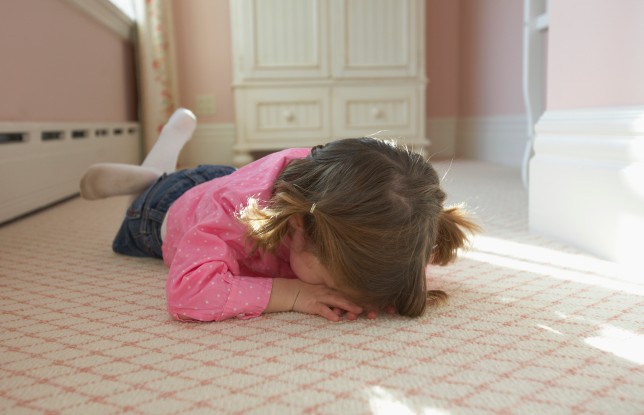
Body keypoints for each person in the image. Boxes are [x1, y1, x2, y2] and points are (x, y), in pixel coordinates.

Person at [80, 108, 479, 322]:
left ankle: (168, 167)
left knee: (216, 180)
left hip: (234, 181)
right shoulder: (230, 215)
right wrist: (292, 293)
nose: (331, 292)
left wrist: (383, 289)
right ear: (299, 227)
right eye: (329, 281)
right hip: (165, 211)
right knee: (153, 196)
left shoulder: (371, 209)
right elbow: (187, 294)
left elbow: (387, 254)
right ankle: (150, 177)